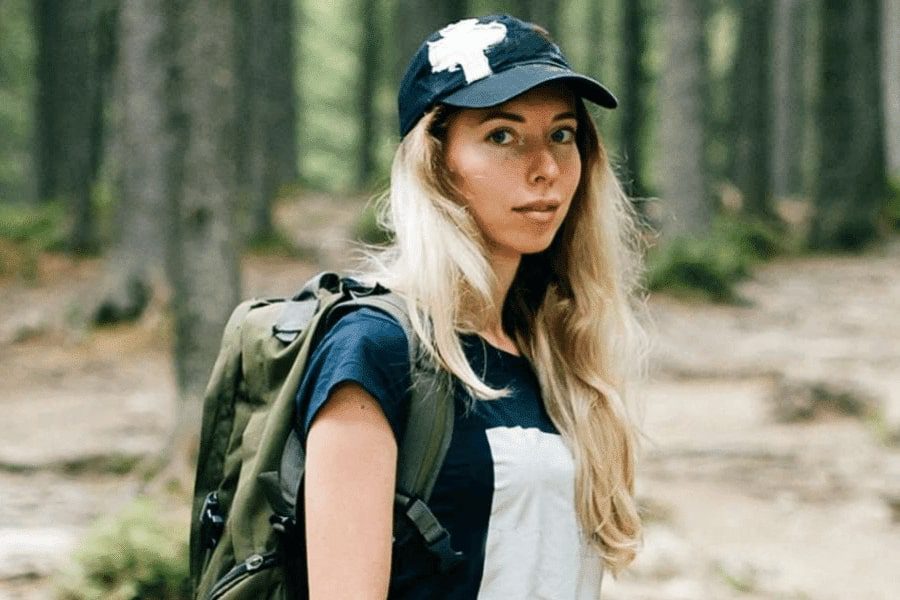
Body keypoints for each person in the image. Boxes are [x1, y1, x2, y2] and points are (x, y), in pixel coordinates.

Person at [297, 14, 647, 599]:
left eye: (562, 134)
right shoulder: (374, 351)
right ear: (437, 164)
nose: (546, 169)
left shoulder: (556, 350)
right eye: (502, 136)